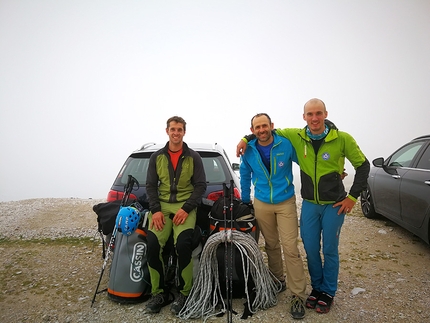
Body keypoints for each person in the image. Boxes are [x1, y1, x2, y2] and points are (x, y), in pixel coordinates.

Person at [236, 99, 370, 314]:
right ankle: (287, 282)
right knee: (282, 246)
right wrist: (245, 199)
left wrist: (348, 190)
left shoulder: (292, 142)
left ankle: (305, 293)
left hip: (302, 202)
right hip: (276, 203)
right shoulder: (260, 146)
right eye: (310, 114)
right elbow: (244, 173)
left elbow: (350, 164)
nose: (314, 118)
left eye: (318, 113)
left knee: (299, 248)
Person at [239, 113, 307, 320]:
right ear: (252, 131)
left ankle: (298, 295)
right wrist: (244, 200)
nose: (262, 130)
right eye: (257, 127)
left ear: (272, 126)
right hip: (261, 203)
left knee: (291, 248)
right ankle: (278, 280)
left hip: (285, 201)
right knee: (271, 245)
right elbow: (244, 174)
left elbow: (306, 162)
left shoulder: (285, 144)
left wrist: (332, 172)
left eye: (264, 126)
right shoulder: (248, 150)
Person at [145, 116, 207, 315]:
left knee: (183, 245)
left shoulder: (193, 157)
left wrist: (186, 208)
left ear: (184, 132)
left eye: (179, 129)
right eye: (173, 129)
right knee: (153, 244)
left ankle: (184, 292)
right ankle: (159, 292)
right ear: (167, 131)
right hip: (161, 206)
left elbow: (200, 186)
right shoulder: (156, 157)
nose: (176, 133)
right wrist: (155, 210)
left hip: (185, 206)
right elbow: (150, 186)